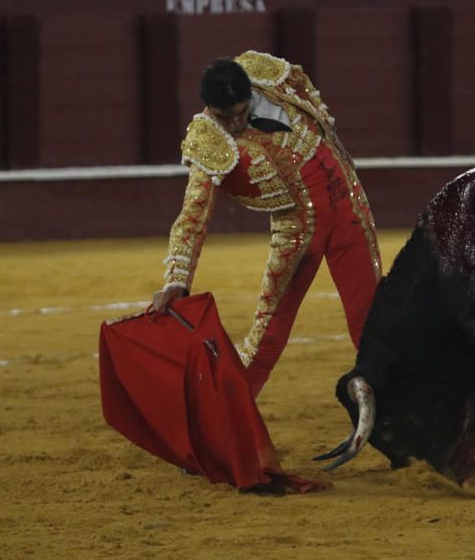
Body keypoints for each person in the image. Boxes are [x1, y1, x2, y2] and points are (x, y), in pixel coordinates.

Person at [153, 52, 382, 399]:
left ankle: (399, 407)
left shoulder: (268, 78)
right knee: (268, 334)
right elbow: (192, 217)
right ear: (208, 108)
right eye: (223, 117)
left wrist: (335, 144)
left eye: (241, 113)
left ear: (250, 95)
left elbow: (308, 92)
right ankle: (228, 419)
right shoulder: (208, 140)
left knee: (373, 320)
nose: (233, 124)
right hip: (300, 230)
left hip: (349, 202)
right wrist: (176, 280)